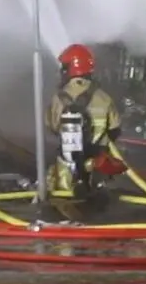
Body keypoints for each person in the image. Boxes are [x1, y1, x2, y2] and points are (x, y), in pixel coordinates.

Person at [46, 43, 125, 200]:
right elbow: (115, 129)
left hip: (67, 165)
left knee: (62, 201)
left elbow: (52, 126)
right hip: (97, 165)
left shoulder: (58, 98)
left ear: (70, 68)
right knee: (98, 204)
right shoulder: (104, 97)